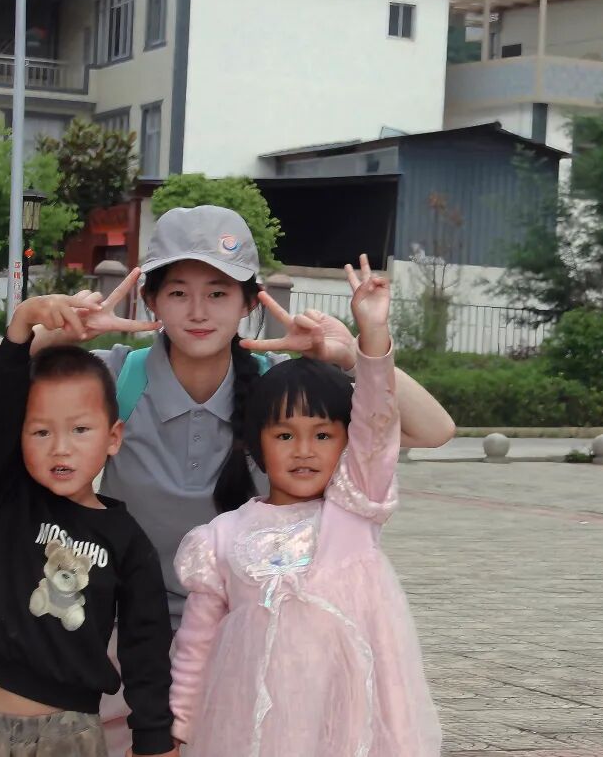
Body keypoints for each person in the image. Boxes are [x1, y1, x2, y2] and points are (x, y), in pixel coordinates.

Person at [0, 205, 454, 754]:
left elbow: (433, 428)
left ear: (250, 303)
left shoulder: (285, 401)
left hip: (244, 654)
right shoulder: (112, 378)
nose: (198, 312)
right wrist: (46, 338)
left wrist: (350, 357)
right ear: (150, 300)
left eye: (220, 293)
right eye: (178, 292)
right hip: (119, 649)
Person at [169, 257, 441, 756]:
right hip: (248, 731)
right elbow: (195, 647)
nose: (304, 450)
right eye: (284, 435)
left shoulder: (353, 511)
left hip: (344, 725)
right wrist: (178, 729)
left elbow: (377, 422)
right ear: (256, 444)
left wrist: (372, 337)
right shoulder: (220, 539)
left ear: (345, 443)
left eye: (322, 435)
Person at [0, 295, 178, 757]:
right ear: (19, 435)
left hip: (68, 735)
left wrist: (154, 741)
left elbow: (145, 651)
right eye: (40, 432)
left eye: (80, 431)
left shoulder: (127, 541)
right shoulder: (8, 497)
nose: (60, 448)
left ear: (113, 437)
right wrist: (25, 326)